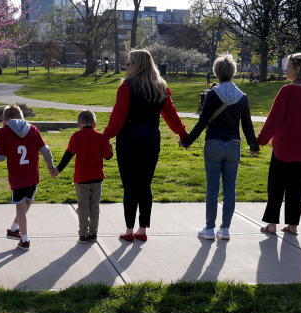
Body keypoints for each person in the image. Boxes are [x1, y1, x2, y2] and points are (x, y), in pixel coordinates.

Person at [103, 49, 188, 242]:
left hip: (129, 140)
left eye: (129, 63)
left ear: (137, 65)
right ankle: (142, 229)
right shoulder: (161, 87)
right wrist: (183, 134)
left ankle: (129, 229)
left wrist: (105, 136)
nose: (126, 66)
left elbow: (118, 117)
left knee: (130, 186)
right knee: (145, 185)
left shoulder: (127, 86)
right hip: (151, 139)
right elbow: (171, 116)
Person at [181, 54, 259, 241]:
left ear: (216, 72)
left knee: (213, 189)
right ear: (234, 72)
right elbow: (247, 126)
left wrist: (187, 141)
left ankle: (209, 228)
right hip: (234, 145)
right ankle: (225, 229)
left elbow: (202, 122)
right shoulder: (243, 97)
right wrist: (253, 146)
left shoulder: (212, 94)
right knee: (230, 189)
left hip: (214, 143)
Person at [254, 52, 301, 235]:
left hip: (283, 149)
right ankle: (293, 225)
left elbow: (273, 120)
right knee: (297, 189)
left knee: (276, 187)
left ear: (298, 69)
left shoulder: (286, 91)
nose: (286, 69)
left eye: (289, 66)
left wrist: (260, 141)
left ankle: (271, 225)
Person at [0, 105, 57, 250]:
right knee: (27, 203)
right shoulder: (33, 129)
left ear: (6, 120)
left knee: (20, 208)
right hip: (33, 175)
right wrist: (51, 167)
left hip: (17, 177)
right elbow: (45, 150)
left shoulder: (3, 132)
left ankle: (24, 239)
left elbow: (0, 157)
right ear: (21, 117)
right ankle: (14, 228)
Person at [55, 109, 114, 242]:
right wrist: (109, 145)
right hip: (97, 178)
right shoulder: (101, 137)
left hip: (81, 179)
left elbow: (68, 155)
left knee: (83, 207)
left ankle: (83, 233)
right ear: (94, 123)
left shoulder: (76, 137)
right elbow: (108, 156)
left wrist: (58, 169)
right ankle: (93, 233)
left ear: (79, 124)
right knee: (94, 206)